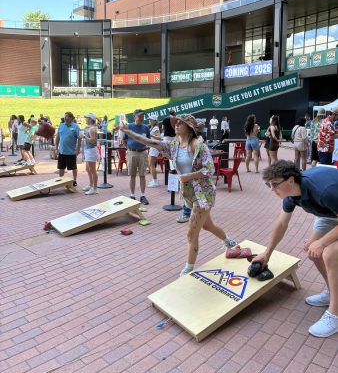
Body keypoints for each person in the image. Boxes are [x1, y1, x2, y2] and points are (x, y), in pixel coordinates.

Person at [119, 113, 237, 277]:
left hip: (203, 194)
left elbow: (210, 169)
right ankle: (228, 241)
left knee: (191, 233)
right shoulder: (173, 145)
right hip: (188, 193)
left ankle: (189, 268)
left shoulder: (198, 146)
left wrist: (189, 176)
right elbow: (150, 142)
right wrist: (129, 132)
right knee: (207, 226)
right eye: (175, 123)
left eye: (180, 124)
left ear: (189, 128)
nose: (176, 125)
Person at [253, 160, 338, 338]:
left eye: (275, 184)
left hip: (333, 205)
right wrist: (267, 254)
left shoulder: (323, 190)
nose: (271, 189)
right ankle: (332, 292)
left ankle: (335, 314)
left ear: (291, 180)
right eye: (269, 185)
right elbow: (282, 223)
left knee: (329, 253)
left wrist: (322, 242)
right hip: (329, 212)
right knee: (314, 253)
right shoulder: (290, 195)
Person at [122, 109, 150, 205]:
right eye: (139, 116)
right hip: (132, 153)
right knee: (132, 175)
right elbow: (123, 140)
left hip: (143, 153)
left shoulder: (146, 128)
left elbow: (148, 140)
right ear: (134, 117)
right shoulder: (129, 127)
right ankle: (132, 195)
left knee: (142, 175)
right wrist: (128, 149)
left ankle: (142, 195)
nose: (141, 118)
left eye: (142, 116)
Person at [55, 112, 81, 186]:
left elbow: (79, 139)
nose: (65, 118)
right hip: (62, 151)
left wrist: (78, 150)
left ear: (71, 118)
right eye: (65, 116)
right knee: (61, 167)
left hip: (71, 152)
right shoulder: (61, 125)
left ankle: (74, 180)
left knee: (73, 167)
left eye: (66, 116)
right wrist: (56, 148)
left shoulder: (76, 127)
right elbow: (57, 137)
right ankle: (61, 180)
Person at [82, 113, 99, 195]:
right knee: (88, 169)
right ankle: (91, 185)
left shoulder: (92, 129)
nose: (85, 119)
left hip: (91, 150)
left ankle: (94, 188)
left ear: (91, 119)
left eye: (87, 118)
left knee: (92, 170)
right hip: (88, 150)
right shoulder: (90, 128)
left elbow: (93, 140)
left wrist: (85, 137)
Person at [147, 114, 161, 188]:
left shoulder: (156, 128)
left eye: (151, 120)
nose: (149, 121)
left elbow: (159, 137)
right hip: (152, 147)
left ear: (154, 121)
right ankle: (154, 179)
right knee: (150, 165)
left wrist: (151, 135)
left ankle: (155, 181)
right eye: (149, 119)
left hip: (155, 147)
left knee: (151, 165)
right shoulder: (152, 127)